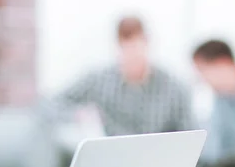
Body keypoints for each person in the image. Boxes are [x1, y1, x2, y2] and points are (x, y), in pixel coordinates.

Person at [44, 16, 193, 166]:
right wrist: (77, 114)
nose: (132, 56)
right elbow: (50, 104)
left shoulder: (174, 87)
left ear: (147, 44)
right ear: (117, 47)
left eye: (136, 48)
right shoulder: (99, 79)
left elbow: (189, 137)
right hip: (111, 161)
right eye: (126, 49)